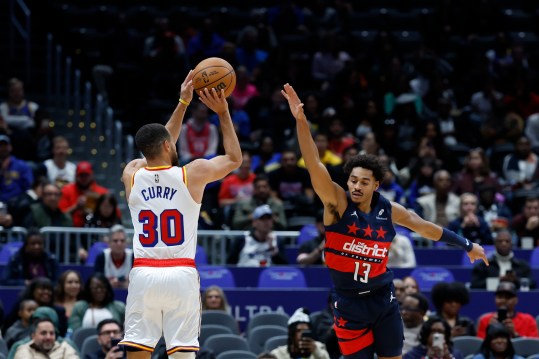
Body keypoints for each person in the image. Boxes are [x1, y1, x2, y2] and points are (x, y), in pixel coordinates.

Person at [281, 83, 488, 359]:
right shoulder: (337, 202)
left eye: (364, 182)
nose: (356, 186)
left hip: (383, 299)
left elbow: (424, 227)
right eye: (353, 179)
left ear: (376, 185)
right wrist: (301, 121)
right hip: (348, 302)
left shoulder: (388, 210)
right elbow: (313, 162)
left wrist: (466, 244)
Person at [118, 71, 242, 359]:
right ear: (167, 146)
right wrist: (223, 112)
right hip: (180, 272)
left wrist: (182, 103)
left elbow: (162, 141)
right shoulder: (192, 174)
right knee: (182, 353)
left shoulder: (131, 174)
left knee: (138, 351)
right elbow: (235, 159)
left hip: (144, 272)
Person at [470, 229, 535, 289]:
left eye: (507, 241)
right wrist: (498, 280)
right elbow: (474, 285)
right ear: (495, 244)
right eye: (500, 241)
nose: (504, 244)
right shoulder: (483, 266)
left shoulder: (523, 266)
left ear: (512, 244)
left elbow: (533, 284)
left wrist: (516, 280)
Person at [58, 161, 111, 227]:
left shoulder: (103, 192)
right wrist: (76, 207)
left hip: (96, 231)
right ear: (76, 176)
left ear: (92, 175)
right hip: (71, 231)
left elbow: (113, 215)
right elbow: (59, 216)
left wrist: (95, 207)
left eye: (86, 175)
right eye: (81, 175)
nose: (84, 178)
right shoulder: (66, 191)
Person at [12, 318, 79, 359]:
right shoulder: (24, 349)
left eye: (51, 333)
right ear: (33, 336)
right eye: (43, 333)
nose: (48, 337)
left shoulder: (65, 348)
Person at [94, 224, 134, 289]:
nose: (119, 244)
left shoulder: (133, 257)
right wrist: (107, 285)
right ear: (108, 242)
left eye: (122, 241)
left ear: (126, 243)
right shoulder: (101, 257)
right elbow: (96, 281)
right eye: (115, 241)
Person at [0, 134, 33, 202]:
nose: (3, 148)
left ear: (10, 147)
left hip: (17, 204)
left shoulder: (21, 165)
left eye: (5, 145)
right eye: (0, 146)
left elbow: (28, 186)